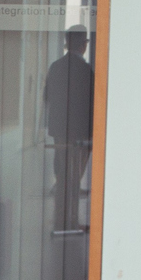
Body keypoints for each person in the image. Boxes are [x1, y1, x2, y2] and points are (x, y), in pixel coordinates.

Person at [44, 25, 95, 231]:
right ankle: (69, 221)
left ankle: (62, 219)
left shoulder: (55, 66)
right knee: (73, 177)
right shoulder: (86, 70)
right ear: (83, 45)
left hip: (60, 130)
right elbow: (92, 104)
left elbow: (47, 97)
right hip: (80, 133)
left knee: (64, 174)